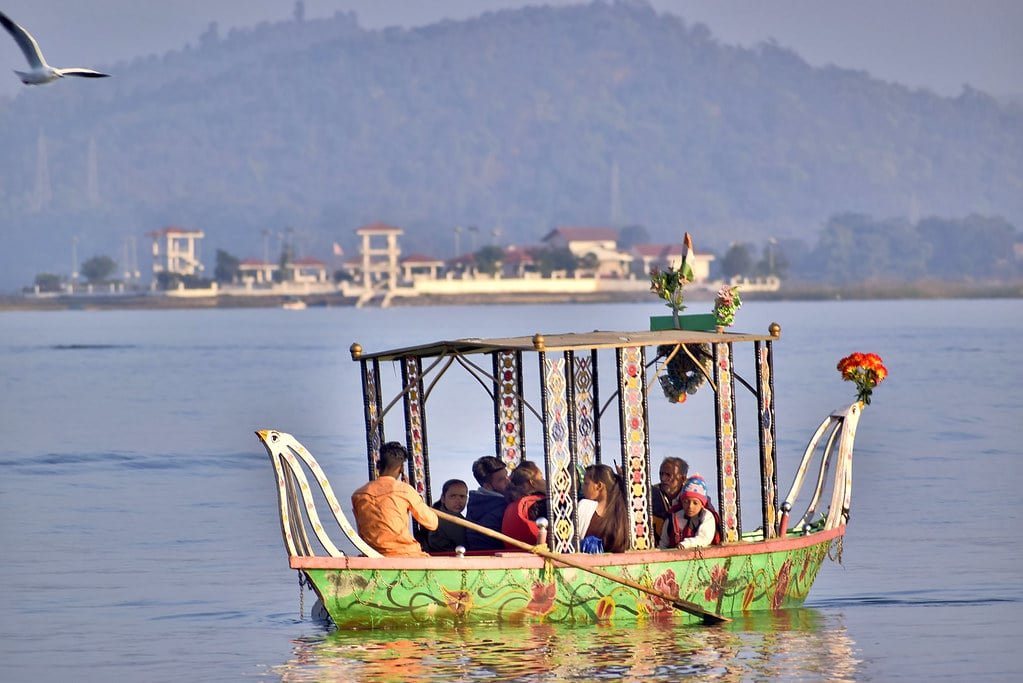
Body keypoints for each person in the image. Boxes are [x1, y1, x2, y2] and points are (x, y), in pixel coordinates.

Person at [351, 441, 438, 557]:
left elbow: (360, 531)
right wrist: (414, 495)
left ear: (378, 465)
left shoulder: (358, 495)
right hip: (404, 553)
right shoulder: (405, 490)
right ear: (401, 468)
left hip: (371, 554)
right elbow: (432, 523)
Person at [658, 474, 721, 549]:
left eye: (695, 503)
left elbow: (704, 539)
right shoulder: (672, 519)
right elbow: (663, 544)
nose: (690, 506)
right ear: (682, 502)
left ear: (702, 504)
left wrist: (687, 544)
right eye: (686, 502)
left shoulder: (707, 517)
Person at [579, 464, 630, 553]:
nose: (582, 487)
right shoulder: (624, 511)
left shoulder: (585, 506)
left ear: (599, 486)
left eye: (586, 483)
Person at [465, 455, 511, 550]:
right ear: (487, 486)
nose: (508, 481)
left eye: (507, 475)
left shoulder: (475, 504)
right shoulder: (502, 508)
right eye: (501, 479)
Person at [501, 460, 547, 548]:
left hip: (516, 551)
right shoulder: (539, 504)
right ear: (532, 483)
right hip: (539, 550)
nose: (545, 481)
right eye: (541, 477)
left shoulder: (511, 504)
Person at [650, 456, 688, 541]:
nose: (663, 479)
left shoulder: (692, 496)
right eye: (661, 474)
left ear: (683, 479)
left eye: (668, 475)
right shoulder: (650, 494)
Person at [426, 478, 469, 552]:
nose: (458, 501)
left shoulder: (461, 520)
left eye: (462, 496)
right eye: (453, 496)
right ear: (443, 498)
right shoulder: (441, 520)